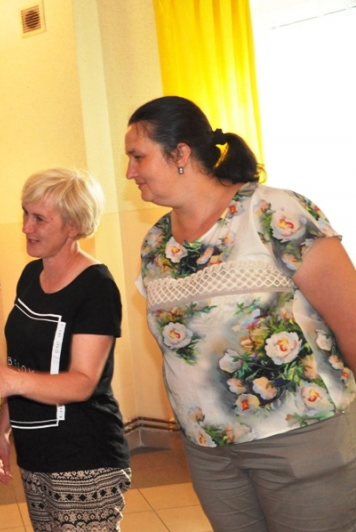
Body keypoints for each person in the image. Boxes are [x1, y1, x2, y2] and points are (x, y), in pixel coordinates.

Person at [125, 95, 356, 531]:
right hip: (210, 452)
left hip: (300, 437)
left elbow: (351, 321)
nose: (129, 172)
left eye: (138, 157)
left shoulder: (272, 212)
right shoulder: (156, 244)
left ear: (180, 154)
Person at [0, 168, 131, 532]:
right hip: (35, 452)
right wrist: (3, 433)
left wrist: (7, 379)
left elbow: (82, 382)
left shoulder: (96, 287)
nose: (26, 227)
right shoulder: (29, 276)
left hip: (84, 456)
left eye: (39, 218)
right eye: (25, 213)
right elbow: (21, 365)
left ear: (73, 226)